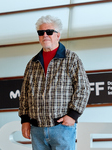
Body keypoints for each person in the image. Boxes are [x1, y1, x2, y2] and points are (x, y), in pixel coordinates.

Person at [18, 15, 90, 150]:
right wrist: (25, 120)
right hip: (37, 129)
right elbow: (25, 95)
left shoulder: (71, 59)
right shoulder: (32, 64)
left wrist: (73, 115)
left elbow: (83, 88)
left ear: (58, 35)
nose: (45, 35)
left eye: (49, 32)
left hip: (62, 128)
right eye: (41, 33)